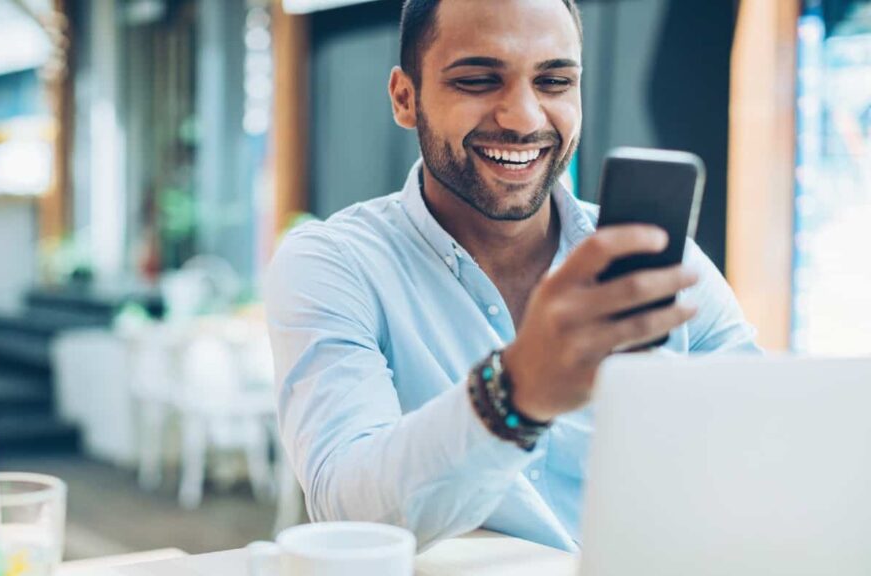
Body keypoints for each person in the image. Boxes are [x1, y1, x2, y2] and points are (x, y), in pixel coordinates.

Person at [264, 0, 758, 551]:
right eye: (477, 80)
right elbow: (348, 508)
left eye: (553, 81)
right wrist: (515, 391)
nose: (524, 118)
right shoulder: (336, 263)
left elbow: (763, 450)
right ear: (406, 98)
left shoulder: (668, 268)